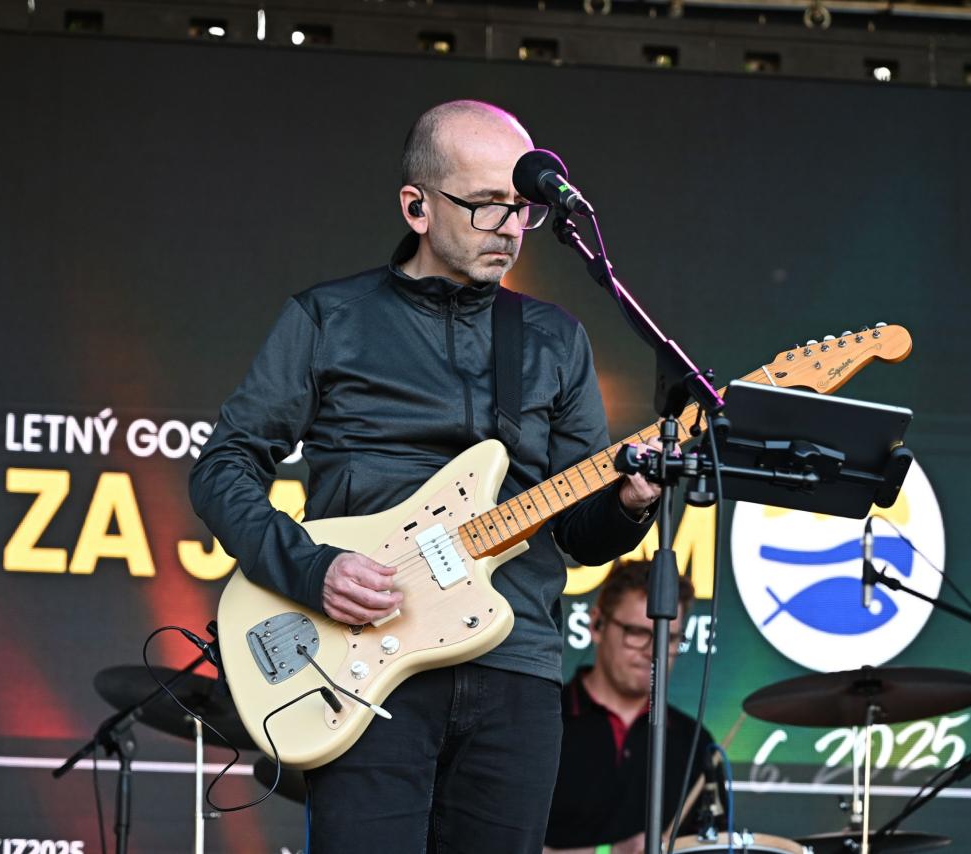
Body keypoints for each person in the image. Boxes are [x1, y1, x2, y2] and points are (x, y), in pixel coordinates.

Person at [189, 99, 661, 853]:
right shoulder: (328, 318)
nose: (509, 228)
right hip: (362, 658)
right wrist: (312, 569)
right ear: (417, 207)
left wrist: (629, 504)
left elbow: (580, 533)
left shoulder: (553, 339)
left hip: (515, 667)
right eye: (485, 206)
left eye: (522, 209)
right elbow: (223, 468)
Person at [544, 559, 715, 854]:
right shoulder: (540, 723)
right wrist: (610, 852)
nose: (653, 651)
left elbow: (713, 846)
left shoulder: (695, 741)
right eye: (637, 632)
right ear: (597, 625)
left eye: (669, 638)